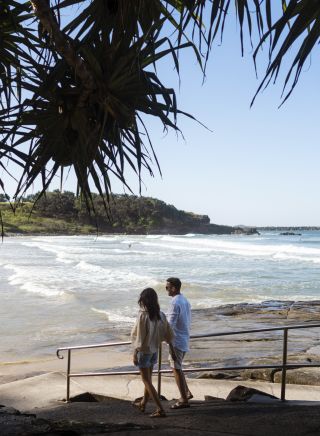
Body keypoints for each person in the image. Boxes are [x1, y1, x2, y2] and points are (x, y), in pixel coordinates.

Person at [131, 287, 174, 418]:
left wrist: (134, 353)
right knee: (148, 380)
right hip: (155, 350)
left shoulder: (143, 315)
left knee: (146, 380)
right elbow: (168, 333)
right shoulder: (160, 315)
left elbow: (138, 337)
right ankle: (143, 403)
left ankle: (160, 409)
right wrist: (171, 347)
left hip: (144, 352)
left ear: (144, 300)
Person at [166, 277, 193, 409]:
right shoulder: (185, 300)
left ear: (174, 288)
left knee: (176, 368)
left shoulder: (175, 302)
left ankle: (183, 400)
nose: (166, 289)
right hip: (184, 338)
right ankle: (186, 393)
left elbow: (170, 324)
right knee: (178, 367)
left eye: (167, 287)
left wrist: (165, 339)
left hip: (176, 341)